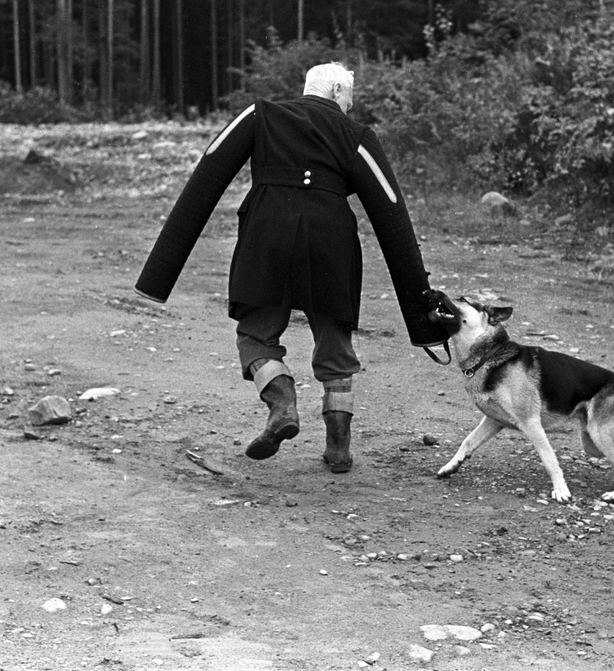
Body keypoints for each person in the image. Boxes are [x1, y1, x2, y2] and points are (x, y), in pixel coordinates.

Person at [134, 62, 448, 473]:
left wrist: (159, 273)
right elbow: (391, 213)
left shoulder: (260, 114)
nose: (350, 107)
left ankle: (282, 402)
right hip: (331, 241)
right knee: (334, 338)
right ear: (337, 90)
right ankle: (338, 447)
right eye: (349, 97)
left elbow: (207, 175)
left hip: (267, 234)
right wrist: (421, 313)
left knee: (256, 333)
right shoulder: (356, 136)